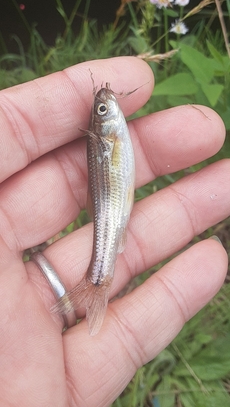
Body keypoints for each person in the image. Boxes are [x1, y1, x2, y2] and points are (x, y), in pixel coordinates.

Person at [0, 56, 228, 407]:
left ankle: (95, 285)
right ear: (104, 122)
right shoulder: (108, 133)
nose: (106, 103)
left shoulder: (109, 134)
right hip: (112, 210)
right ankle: (97, 282)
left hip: (112, 207)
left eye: (103, 107)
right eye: (103, 109)